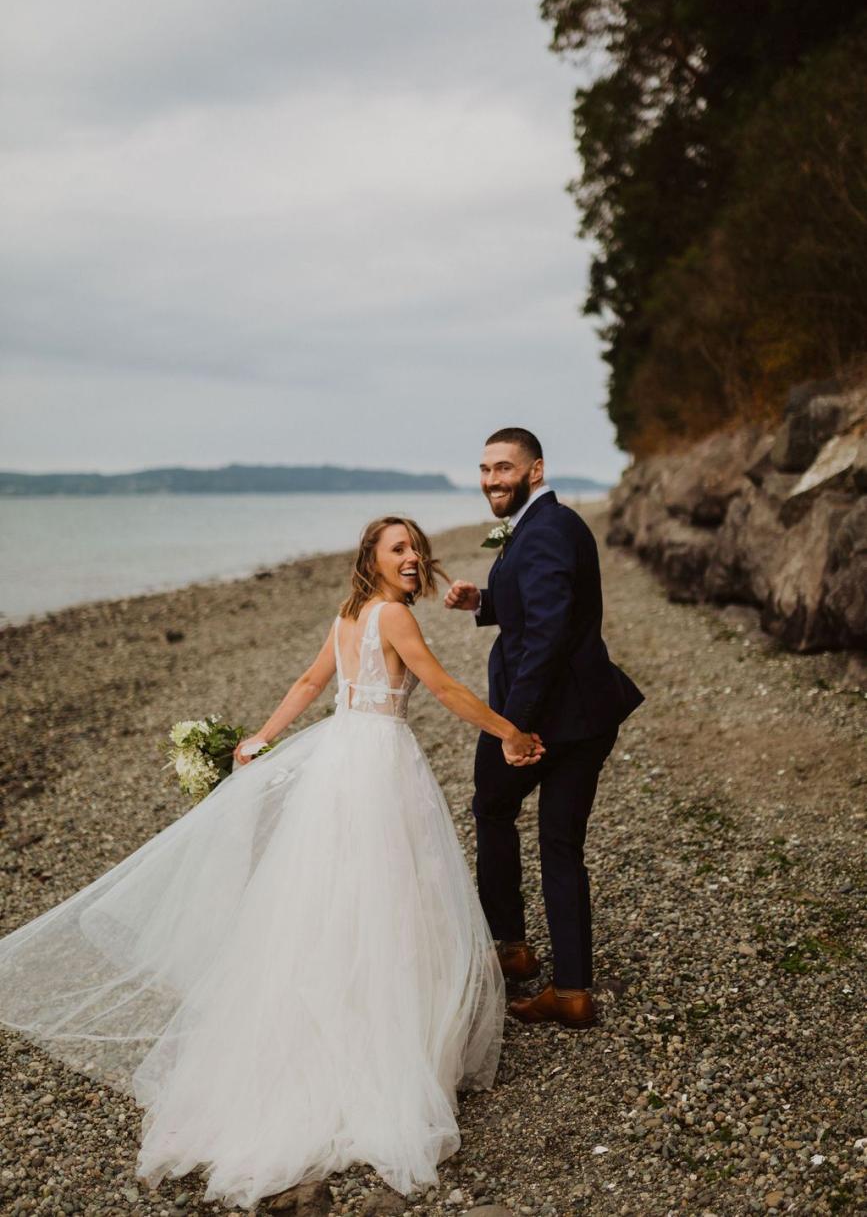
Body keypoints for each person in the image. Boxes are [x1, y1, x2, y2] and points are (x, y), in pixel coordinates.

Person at [0, 516, 544, 1212]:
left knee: (333, 896)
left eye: (415, 548)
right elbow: (439, 688)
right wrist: (510, 731)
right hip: (376, 766)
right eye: (398, 549)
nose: (413, 558)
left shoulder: (349, 614)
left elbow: (310, 681)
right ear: (371, 561)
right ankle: (385, 1047)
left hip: (341, 757)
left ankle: (351, 1027)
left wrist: (264, 735)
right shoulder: (388, 617)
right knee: (387, 894)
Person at [445, 428, 644, 1030]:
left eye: (503, 468)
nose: (491, 480)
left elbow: (549, 632)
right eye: (484, 469)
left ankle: (511, 947)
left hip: (546, 713)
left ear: (535, 470)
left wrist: (514, 727)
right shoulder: (538, 524)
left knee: (492, 807)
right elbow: (535, 602)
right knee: (558, 842)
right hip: (583, 714)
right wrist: (482, 601)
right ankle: (573, 990)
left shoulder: (548, 529)